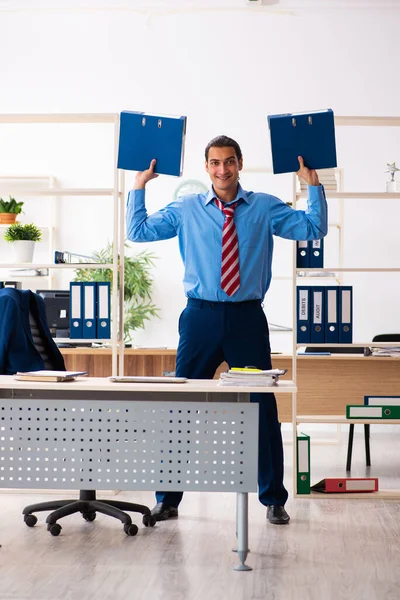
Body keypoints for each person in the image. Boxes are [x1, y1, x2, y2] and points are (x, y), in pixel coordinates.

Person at [126, 135, 327, 525]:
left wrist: (312, 184)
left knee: (262, 409)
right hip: (200, 317)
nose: (223, 170)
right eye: (215, 163)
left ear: (240, 163)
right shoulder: (186, 209)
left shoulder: (265, 207)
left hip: (247, 319)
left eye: (229, 162)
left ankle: (273, 499)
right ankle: (167, 500)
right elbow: (138, 232)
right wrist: (139, 186)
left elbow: (314, 228)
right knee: (179, 407)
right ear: (206, 167)